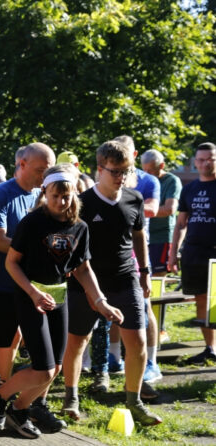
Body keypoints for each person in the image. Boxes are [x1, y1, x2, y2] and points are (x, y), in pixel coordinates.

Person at [0, 164, 123, 438]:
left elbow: (83, 269)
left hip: (58, 298)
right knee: (43, 368)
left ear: (75, 193)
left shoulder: (80, 227)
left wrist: (100, 301)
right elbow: (12, 264)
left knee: (55, 367)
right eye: (55, 195)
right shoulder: (32, 222)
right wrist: (33, 293)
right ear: (45, 192)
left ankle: (19, 409)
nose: (61, 201)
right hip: (30, 297)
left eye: (67, 195)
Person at [61, 140, 162, 426]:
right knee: (78, 341)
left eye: (125, 171)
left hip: (125, 277)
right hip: (86, 280)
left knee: (138, 340)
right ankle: (71, 397)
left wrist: (144, 270)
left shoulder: (134, 198)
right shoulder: (82, 203)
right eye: (115, 171)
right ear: (99, 170)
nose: (120, 177)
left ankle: (134, 400)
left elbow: (139, 234)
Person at [0, 143, 55, 421]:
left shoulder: (42, 194)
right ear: (22, 164)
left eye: (48, 170)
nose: (45, 175)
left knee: (13, 339)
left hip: (28, 284)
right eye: (41, 169)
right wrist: (36, 250)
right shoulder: (1, 193)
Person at [168, 142, 216, 364]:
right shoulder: (189, 189)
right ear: (195, 162)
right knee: (201, 301)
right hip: (194, 254)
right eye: (201, 159)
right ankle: (210, 348)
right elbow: (180, 224)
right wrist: (172, 253)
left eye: (211, 158)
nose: (206, 163)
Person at [142, 148, 182, 347]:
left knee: (157, 284)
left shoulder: (172, 181)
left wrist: (141, 209)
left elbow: (169, 209)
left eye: (152, 170)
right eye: (145, 170)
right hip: (144, 237)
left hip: (163, 237)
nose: (148, 175)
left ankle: (161, 329)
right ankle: (146, 329)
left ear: (162, 166)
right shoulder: (144, 180)